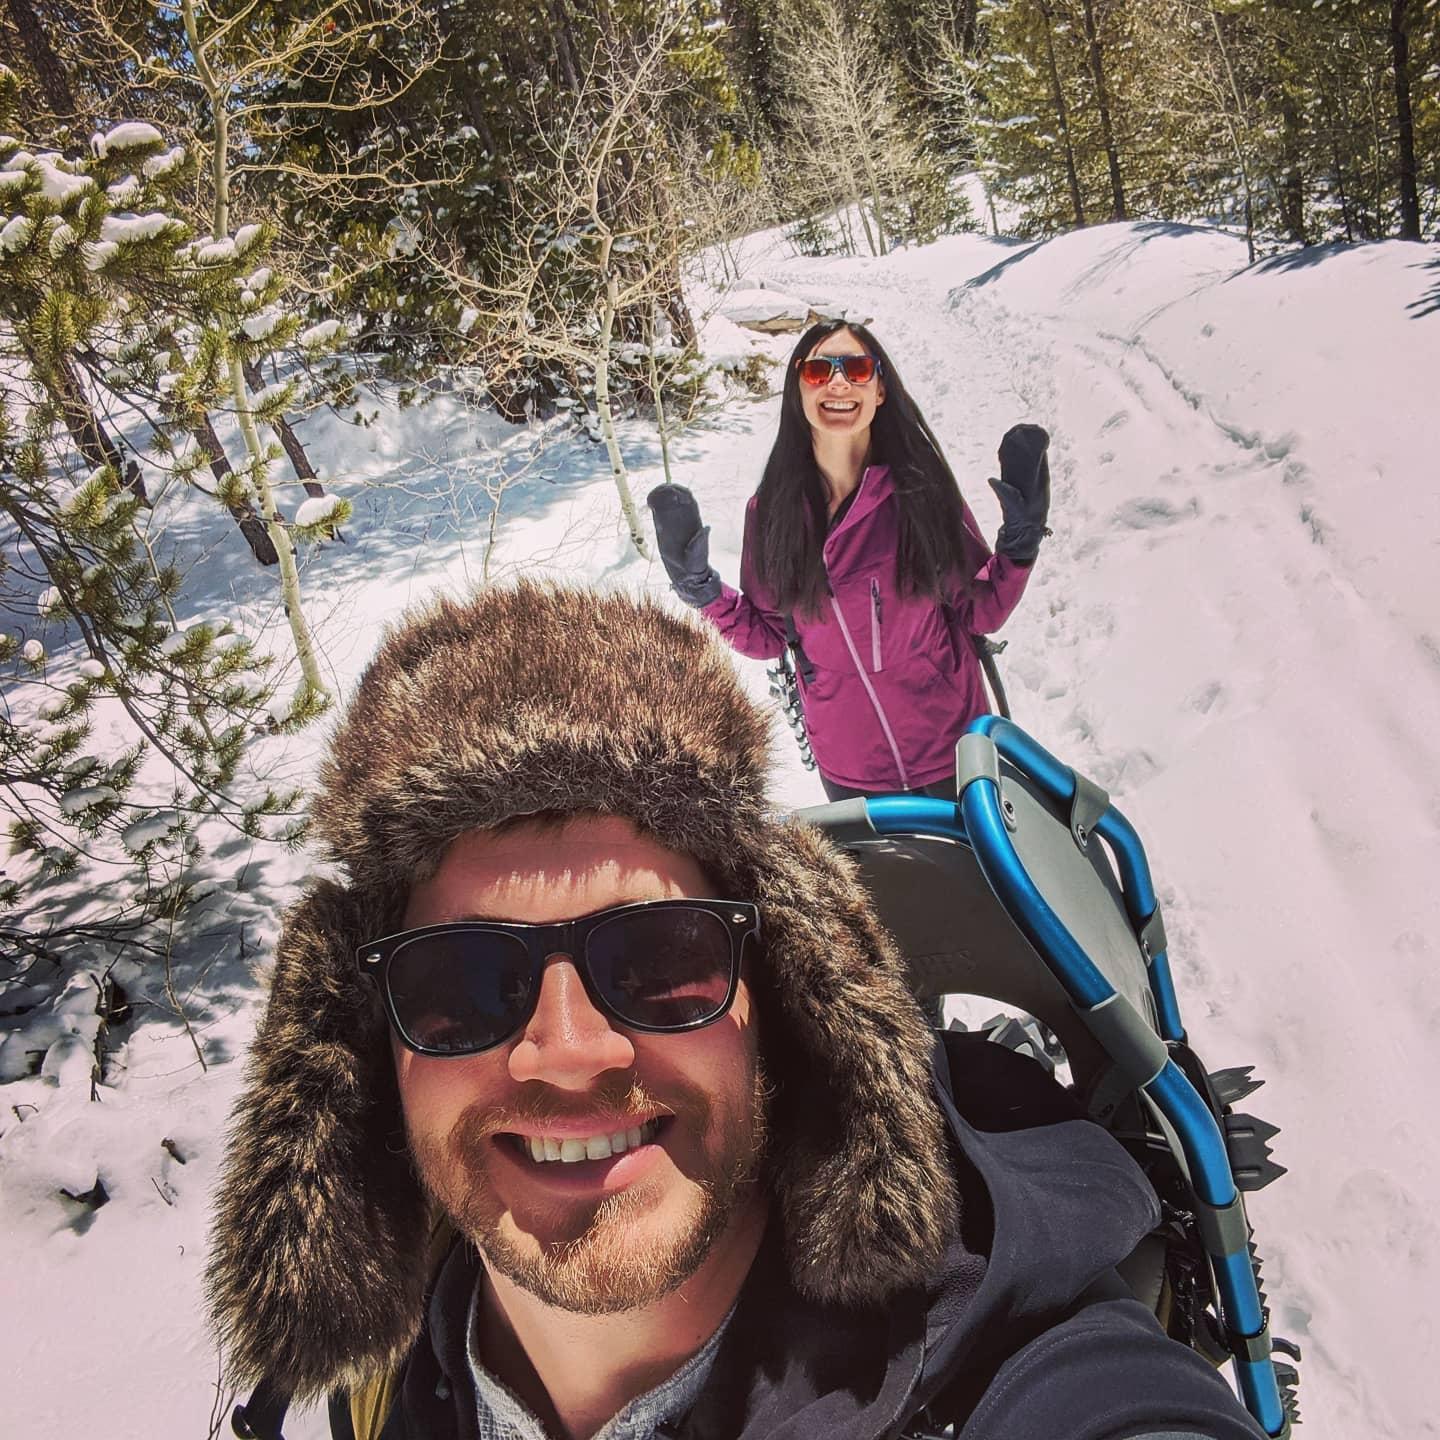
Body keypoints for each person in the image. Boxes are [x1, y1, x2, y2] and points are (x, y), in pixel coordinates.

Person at [207, 581, 1263, 1440]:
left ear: (778, 993)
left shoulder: (1014, 1363)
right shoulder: (377, 1387)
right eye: (461, 984)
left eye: (659, 962)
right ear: (367, 1043)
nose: (568, 1053)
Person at [647, 319, 1051, 800]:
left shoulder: (922, 492)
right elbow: (771, 635)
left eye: (857, 368)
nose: (838, 382)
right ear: (798, 389)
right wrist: (704, 592)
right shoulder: (771, 512)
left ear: (880, 390)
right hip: (848, 769)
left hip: (953, 750)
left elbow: (980, 609)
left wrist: (1019, 544)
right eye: (819, 370)